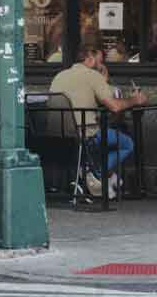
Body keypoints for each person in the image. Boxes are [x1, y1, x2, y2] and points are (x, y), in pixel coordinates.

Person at [49, 45, 145, 196]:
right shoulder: (92, 76)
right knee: (127, 143)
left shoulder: (59, 75)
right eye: (99, 62)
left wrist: (102, 82)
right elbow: (114, 107)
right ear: (90, 59)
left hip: (57, 133)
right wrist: (135, 100)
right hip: (85, 132)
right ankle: (96, 172)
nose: (101, 67)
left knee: (104, 135)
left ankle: (88, 170)